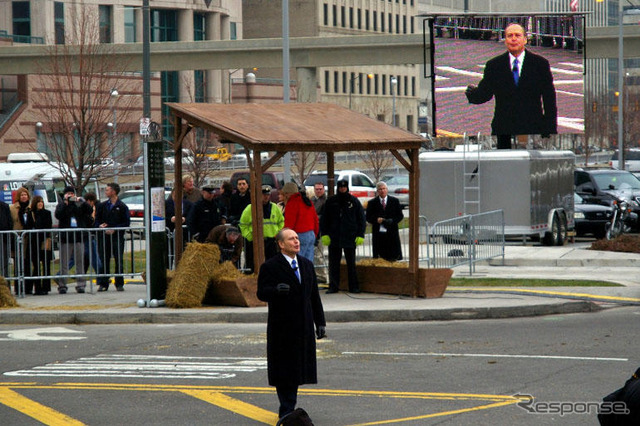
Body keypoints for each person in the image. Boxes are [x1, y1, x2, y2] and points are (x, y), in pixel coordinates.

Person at [257, 228, 326, 420]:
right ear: (281, 244)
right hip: (282, 328)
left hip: (303, 327)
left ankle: (289, 407)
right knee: (284, 369)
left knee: (297, 369)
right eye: (291, 239)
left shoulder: (306, 264)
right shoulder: (270, 266)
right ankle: (287, 409)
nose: (296, 242)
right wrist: (275, 290)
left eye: (297, 238)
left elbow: (314, 296)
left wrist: (320, 322)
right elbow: (261, 292)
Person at [465, 23, 557, 149]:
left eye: (517, 35)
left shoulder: (540, 64)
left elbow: (549, 99)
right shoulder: (494, 65)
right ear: (505, 40)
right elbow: (485, 93)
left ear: (525, 39)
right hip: (503, 129)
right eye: (509, 36)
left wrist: (550, 129)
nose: (513, 39)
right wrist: (472, 95)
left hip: (532, 128)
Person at [320, 179, 366, 294]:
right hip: (334, 237)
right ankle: (333, 286)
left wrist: (360, 234)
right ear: (338, 188)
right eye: (341, 187)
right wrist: (324, 233)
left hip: (350, 237)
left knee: (351, 264)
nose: (342, 189)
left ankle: (353, 287)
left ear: (347, 188)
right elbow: (324, 219)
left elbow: (361, 219)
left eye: (344, 187)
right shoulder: (331, 201)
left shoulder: (353, 201)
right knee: (334, 264)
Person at [55, 186, 93, 294]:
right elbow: (58, 215)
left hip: (78, 237)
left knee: (80, 262)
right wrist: (65, 203)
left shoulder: (79, 205)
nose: (70, 195)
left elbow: (89, 211)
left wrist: (82, 202)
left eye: (72, 193)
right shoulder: (62, 205)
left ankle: (81, 284)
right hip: (66, 239)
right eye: (68, 194)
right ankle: (62, 285)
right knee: (64, 263)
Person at [239, 185, 284, 273]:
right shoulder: (250, 208)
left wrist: (277, 234)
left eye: (267, 194)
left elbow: (281, 222)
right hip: (254, 242)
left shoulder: (274, 207)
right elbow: (243, 225)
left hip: (271, 242)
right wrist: (249, 236)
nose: (266, 197)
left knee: (273, 266)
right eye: (263, 194)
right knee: (252, 266)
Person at [96, 182, 130, 292]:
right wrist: (100, 226)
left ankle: (119, 283)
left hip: (117, 237)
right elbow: (96, 220)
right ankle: (103, 283)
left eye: (107, 190)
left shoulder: (122, 206)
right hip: (104, 237)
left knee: (118, 259)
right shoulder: (102, 206)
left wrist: (115, 229)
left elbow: (126, 222)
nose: (106, 192)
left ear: (113, 191)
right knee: (104, 259)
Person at [366, 181, 404, 262]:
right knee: (380, 259)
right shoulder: (372, 203)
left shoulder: (394, 201)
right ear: (377, 191)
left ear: (387, 189)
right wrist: (376, 220)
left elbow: (400, 216)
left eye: (384, 189)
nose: (382, 191)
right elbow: (368, 217)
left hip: (392, 233)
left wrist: (392, 221)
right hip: (379, 235)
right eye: (380, 189)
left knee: (393, 258)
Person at [281, 182, 318, 263]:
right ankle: (308, 275)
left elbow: (289, 224)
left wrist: (283, 236)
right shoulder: (307, 201)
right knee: (308, 262)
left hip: (299, 235)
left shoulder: (292, 203)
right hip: (311, 234)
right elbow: (315, 219)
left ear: (287, 193)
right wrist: (315, 234)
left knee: (298, 262)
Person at [25, 195, 53, 295]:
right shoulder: (30, 214)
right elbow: (28, 226)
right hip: (33, 242)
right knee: (36, 265)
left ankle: (46, 287)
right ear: (35, 203)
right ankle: (37, 288)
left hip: (44, 241)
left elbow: (48, 226)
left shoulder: (47, 213)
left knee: (46, 264)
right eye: (38, 202)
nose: (40, 203)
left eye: (42, 202)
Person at [10, 187, 32, 294]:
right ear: (18, 196)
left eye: (25, 195)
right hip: (17, 240)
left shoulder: (30, 208)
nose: (24, 197)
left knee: (27, 264)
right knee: (18, 265)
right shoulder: (12, 208)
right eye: (22, 195)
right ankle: (18, 288)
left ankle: (28, 288)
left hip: (28, 241)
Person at [311, 182, 329, 284]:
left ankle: (322, 276)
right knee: (314, 254)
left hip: (321, 230)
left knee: (319, 254)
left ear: (324, 189)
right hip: (313, 229)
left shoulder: (326, 201)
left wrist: (315, 218)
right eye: (316, 189)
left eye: (320, 189)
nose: (318, 191)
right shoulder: (312, 200)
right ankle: (317, 274)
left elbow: (325, 216)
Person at [0, 199, 13, 278]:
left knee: (4, 264)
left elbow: (9, 222)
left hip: (3, 239)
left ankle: (5, 286)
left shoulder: (4, 206)